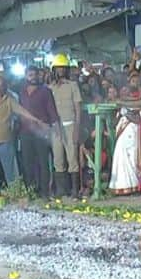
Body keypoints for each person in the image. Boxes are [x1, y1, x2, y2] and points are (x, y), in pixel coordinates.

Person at [0, 75, 48, 196]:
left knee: (11, 173)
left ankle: (15, 195)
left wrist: (37, 121)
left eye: (1, 85)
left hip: (6, 142)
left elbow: (23, 112)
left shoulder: (9, 100)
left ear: (5, 87)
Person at [19, 65, 59, 198]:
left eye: (35, 75)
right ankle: (30, 191)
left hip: (42, 132)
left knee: (43, 163)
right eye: (30, 75)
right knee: (27, 163)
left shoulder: (45, 91)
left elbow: (52, 111)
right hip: (25, 132)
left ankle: (45, 192)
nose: (33, 77)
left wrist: (55, 128)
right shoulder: (22, 91)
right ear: (26, 76)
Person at [49, 54, 84, 199]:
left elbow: (78, 108)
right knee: (58, 159)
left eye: (63, 68)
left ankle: (74, 191)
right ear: (54, 70)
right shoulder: (50, 88)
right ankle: (61, 191)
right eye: (58, 68)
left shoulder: (73, 86)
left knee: (72, 159)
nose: (61, 71)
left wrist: (77, 128)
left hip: (70, 126)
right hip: (55, 127)